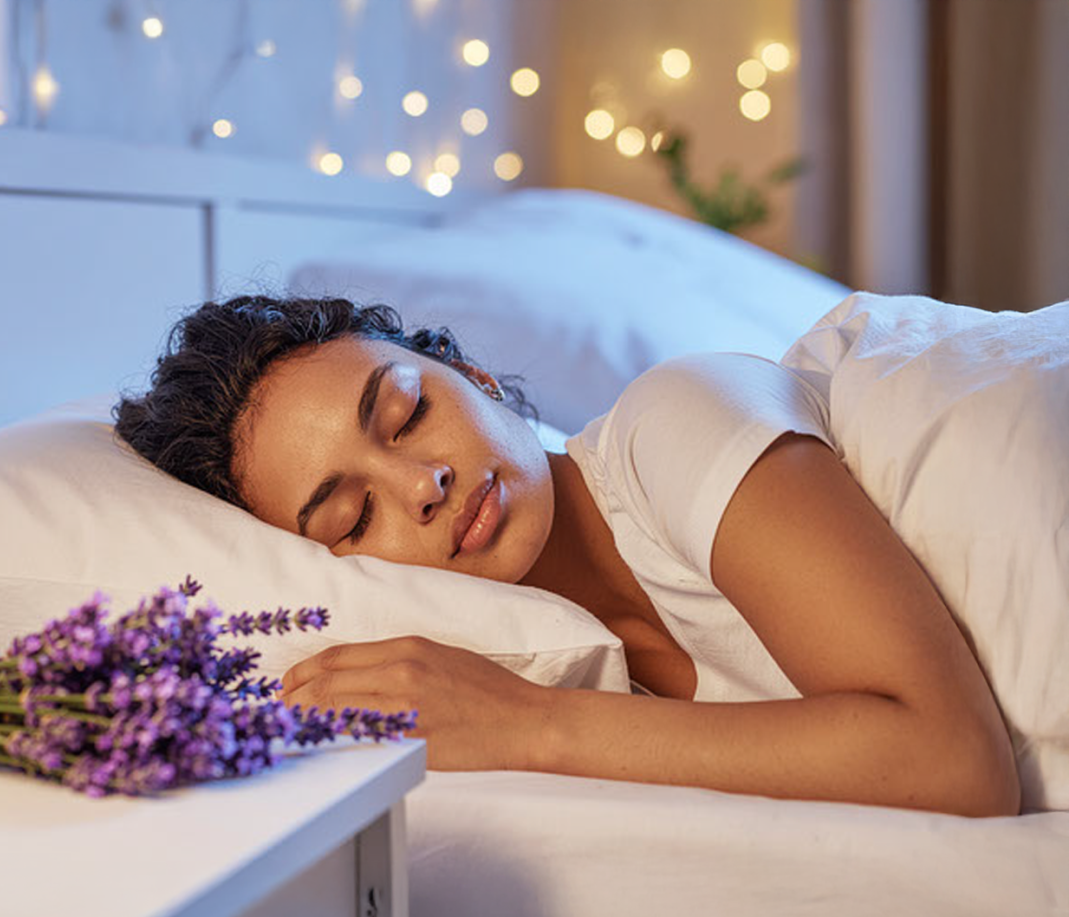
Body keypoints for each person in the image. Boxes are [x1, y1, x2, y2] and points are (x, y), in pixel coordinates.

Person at [114, 293, 1025, 818]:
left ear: (472, 376)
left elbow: (952, 758)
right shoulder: (596, 664)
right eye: (354, 518)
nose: (421, 482)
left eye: (407, 413)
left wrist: (526, 723)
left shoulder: (674, 420)